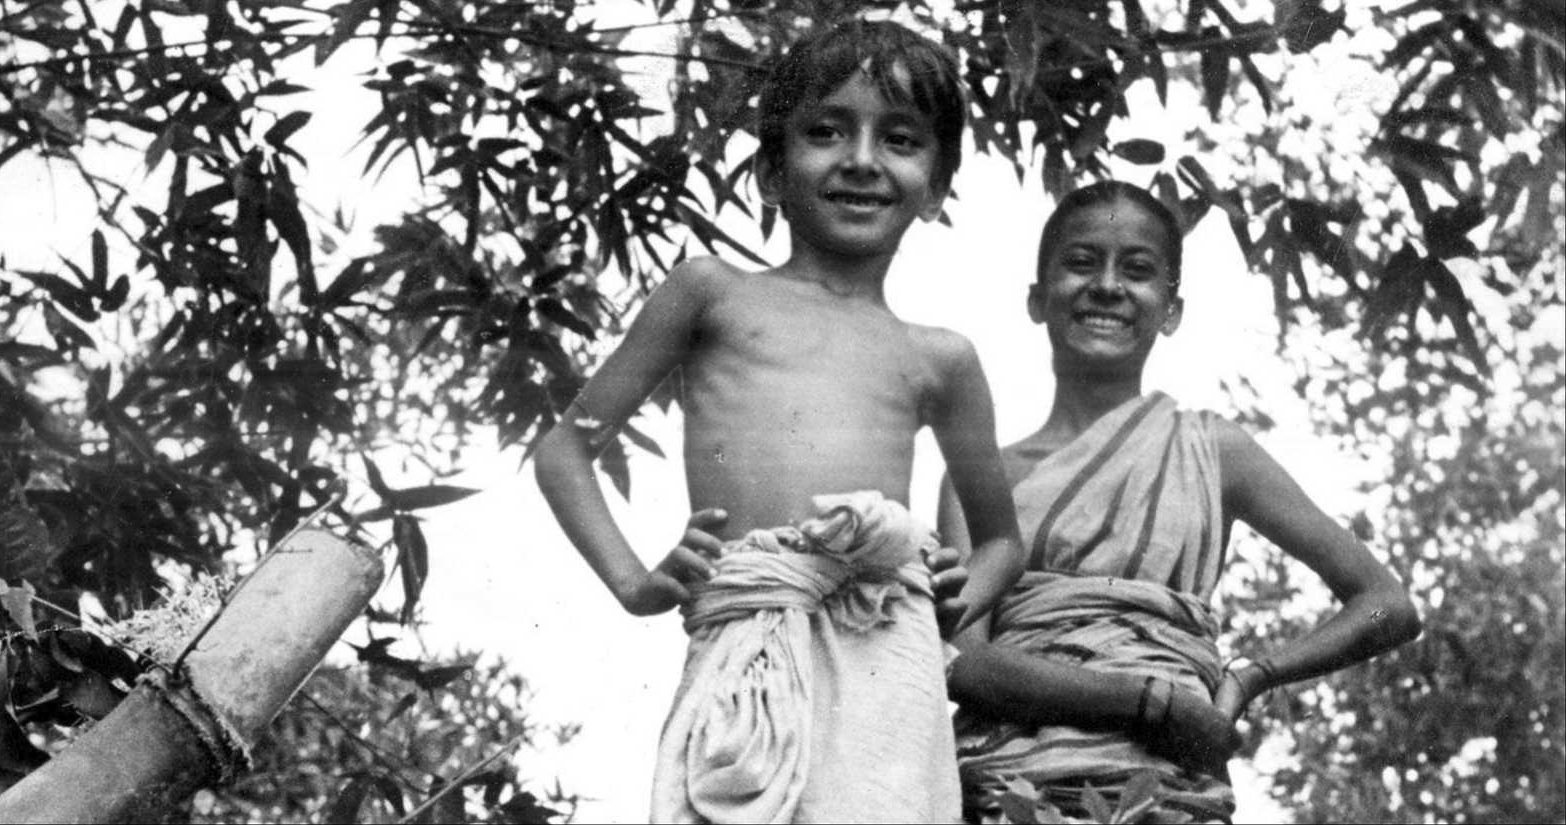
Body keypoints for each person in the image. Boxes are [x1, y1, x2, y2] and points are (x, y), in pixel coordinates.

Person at [533, 18, 1025, 824]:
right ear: (770, 170)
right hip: (747, 635)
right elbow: (565, 452)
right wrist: (634, 582)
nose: (861, 159)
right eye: (826, 131)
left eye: (900, 139)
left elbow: (1001, 540)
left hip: (886, 651)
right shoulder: (711, 293)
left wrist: (955, 595)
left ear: (935, 188)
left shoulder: (942, 358)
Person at [938, 181, 1422, 823]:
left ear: (1171, 311)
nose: (1107, 286)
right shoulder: (978, 477)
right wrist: (1148, 702)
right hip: (1007, 790)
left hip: (1165, 792)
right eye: (1081, 262)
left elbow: (1386, 604)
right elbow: (963, 663)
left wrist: (1251, 675)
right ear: (1037, 297)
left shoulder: (1212, 450)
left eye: (1137, 270)